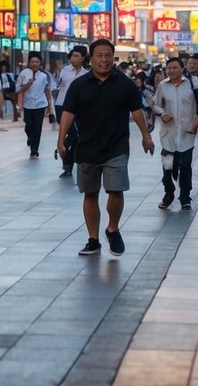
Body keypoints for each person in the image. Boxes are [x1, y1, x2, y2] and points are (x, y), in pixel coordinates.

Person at [56, 39, 154, 258]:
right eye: (99, 55)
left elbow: (137, 110)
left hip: (116, 145)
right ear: (91, 58)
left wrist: (146, 136)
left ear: (113, 57)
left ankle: (113, 228)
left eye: (108, 55)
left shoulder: (125, 83)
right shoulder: (79, 85)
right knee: (90, 194)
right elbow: (68, 113)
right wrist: (61, 140)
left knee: (116, 190)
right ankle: (93, 240)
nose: (104, 60)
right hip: (87, 146)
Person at [152, 57, 198, 210]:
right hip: (167, 134)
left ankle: (185, 197)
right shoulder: (163, 85)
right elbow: (156, 105)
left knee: (185, 166)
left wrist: (196, 123)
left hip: (186, 134)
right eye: (169, 68)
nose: (171, 71)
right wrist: (162, 113)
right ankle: (168, 194)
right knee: (167, 166)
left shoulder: (193, 83)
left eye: (175, 68)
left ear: (182, 69)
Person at [55, 47, 89, 177]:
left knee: (75, 136)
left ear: (83, 58)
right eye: (72, 56)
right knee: (71, 134)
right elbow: (58, 86)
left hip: (78, 108)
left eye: (76, 56)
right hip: (62, 105)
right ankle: (66, 159)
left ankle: (68, 163)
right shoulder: (65, 71)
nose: (73, 59)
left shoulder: (86, 73)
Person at [16, 54, 53, 159]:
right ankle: (30, 137)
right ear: (29, 63)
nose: (34, 64)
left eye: (36, 62)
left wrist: (50, 108)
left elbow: (47, 90)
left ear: (40, 63)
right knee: (28, 126)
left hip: (40, 104)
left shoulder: (44, 76)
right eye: (32, 62)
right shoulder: (24, 74)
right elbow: (17, 89)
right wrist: (27, 84)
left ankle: (34, 150)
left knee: (38, 127)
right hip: (28, 104)